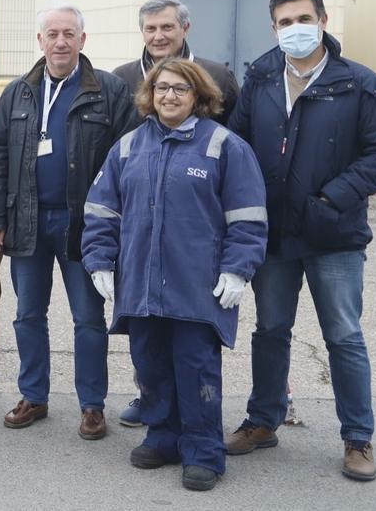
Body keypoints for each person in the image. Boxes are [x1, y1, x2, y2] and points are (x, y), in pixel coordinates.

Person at [225, 0, 376, 482]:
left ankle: (357, 437)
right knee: (271, 331)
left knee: (343, 336)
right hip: (273, 234)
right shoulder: (259, 76)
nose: (294, 28)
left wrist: (330, 198)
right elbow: (237, 142)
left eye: (303, 17)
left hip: (334, 233)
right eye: (283, 21)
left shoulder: (361, 84)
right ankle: (263, 420)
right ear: (273, 28)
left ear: (321, 19)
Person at [82, 58, 267, 491]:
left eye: (180, 89)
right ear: (149, 94)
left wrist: (238, 269)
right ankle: (163, 436)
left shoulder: (224, 146)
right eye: (162, 88)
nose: (169, 96)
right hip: (142, 284)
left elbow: (247, 217)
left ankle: (203, 450)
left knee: (196, 368)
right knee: (151, 365)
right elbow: (102, 210)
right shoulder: (128, 146)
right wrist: (99, 259)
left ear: (198, 96)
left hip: (197, 286)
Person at [0, 6, 134, 440]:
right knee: (28, 314)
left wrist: (115, 223)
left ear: (83, 40)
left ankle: (92, 405)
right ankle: (34, 395)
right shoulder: (19, 92)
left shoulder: (109, 90)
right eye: (53, 34)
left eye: (69, 33)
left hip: (82, 225)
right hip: (25, 220)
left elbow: (125, 160)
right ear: (40, 40)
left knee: (88, 317)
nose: (61, 42)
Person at [112, 0, 241, 426]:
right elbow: (113, 154)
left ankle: (200, 433)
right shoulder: (123, 78)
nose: (158, 36)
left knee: (192, 343)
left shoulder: (218, 74)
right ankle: (154, 406)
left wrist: (237, 259)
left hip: (194, 224)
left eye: (166, 27)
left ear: (184, 28)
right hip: (143, 226)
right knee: (148, 336)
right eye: (150, 29)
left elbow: (235, 151)